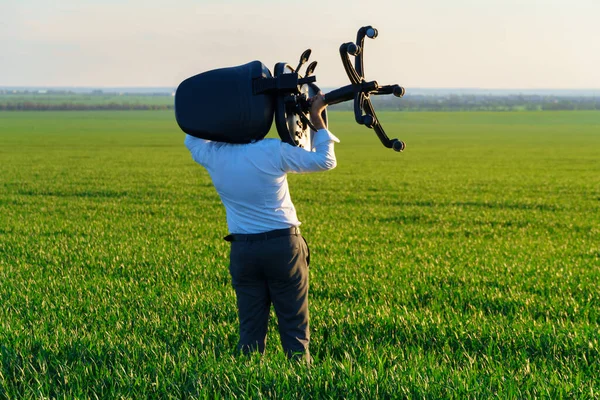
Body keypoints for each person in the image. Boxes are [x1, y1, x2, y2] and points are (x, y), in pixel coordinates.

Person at [184, 93, 338, 362]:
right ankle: (300, 381)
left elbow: (192, 135)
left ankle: (250, 382)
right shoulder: (271, 150)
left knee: (250, 331)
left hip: (243, 251)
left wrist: (218, 108)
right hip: (283, 248)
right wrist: (316, 116)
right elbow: (325, 161)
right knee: (294, 327)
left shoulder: (212, 155)